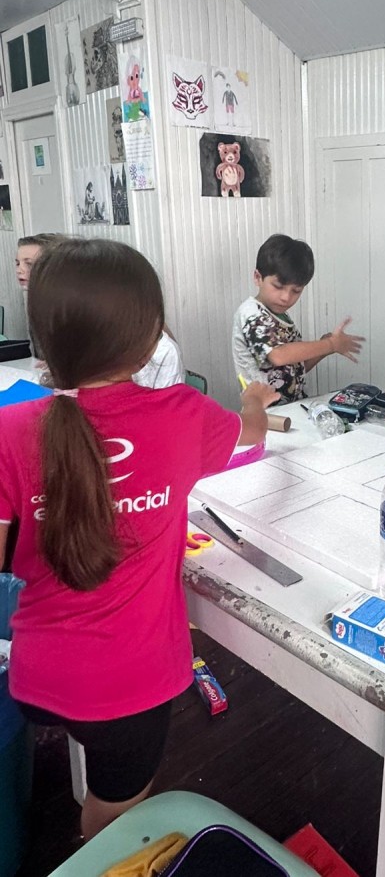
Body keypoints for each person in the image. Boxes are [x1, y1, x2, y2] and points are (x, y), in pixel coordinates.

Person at [0, 238, 278, 840]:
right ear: (153, 339)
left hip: (36, 677)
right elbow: (251, 437)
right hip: (133, 687)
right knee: (115, 819)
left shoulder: (8, 427)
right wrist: (253, 399)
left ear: (42, 336)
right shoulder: (183, 413)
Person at [232, 233, 364, 402]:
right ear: (258, 277)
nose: (286, 297)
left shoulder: (281, 316)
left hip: (291, 406)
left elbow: (297, 368)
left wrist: (327, 346)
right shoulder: (251, 314)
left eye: (296, 291)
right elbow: (278, 356)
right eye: (278, 286)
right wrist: (330, 344)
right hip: (264, 411)